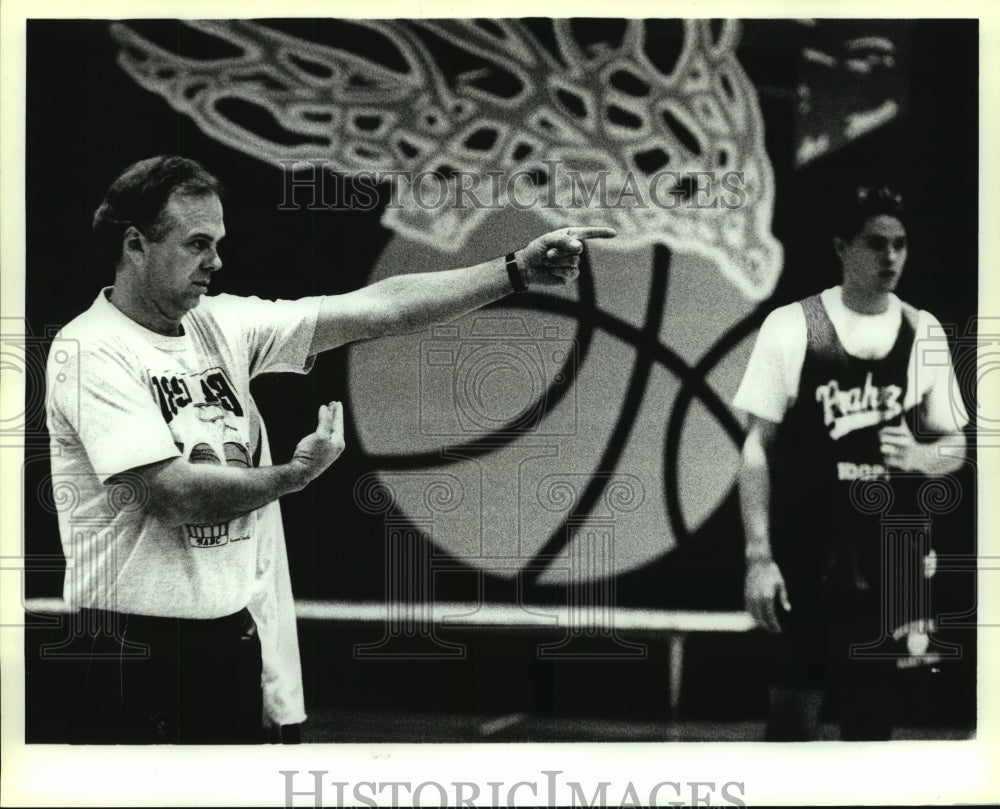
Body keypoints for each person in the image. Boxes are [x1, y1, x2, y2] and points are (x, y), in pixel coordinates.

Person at [45, 155, 616, 743]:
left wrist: (515, 270)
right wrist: (291, 476)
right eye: (197, 243)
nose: (216, 260)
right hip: (129, 646)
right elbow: (171, 494)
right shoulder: (92, 349)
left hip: (223, 639)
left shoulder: (221, 326)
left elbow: (380, 307)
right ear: (135, 245)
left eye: (217, 242)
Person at [734, 185, 967, 740]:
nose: (891, 257)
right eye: (876, 243)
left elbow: (954, 446)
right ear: (842, 247)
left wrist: (922, 455)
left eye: (901, 244)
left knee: (871, 728)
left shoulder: (923, 330)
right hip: (803, 555)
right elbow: (754, 449)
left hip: (889, 561)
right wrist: (758, 556)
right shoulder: (792, 326)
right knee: (791, 724)